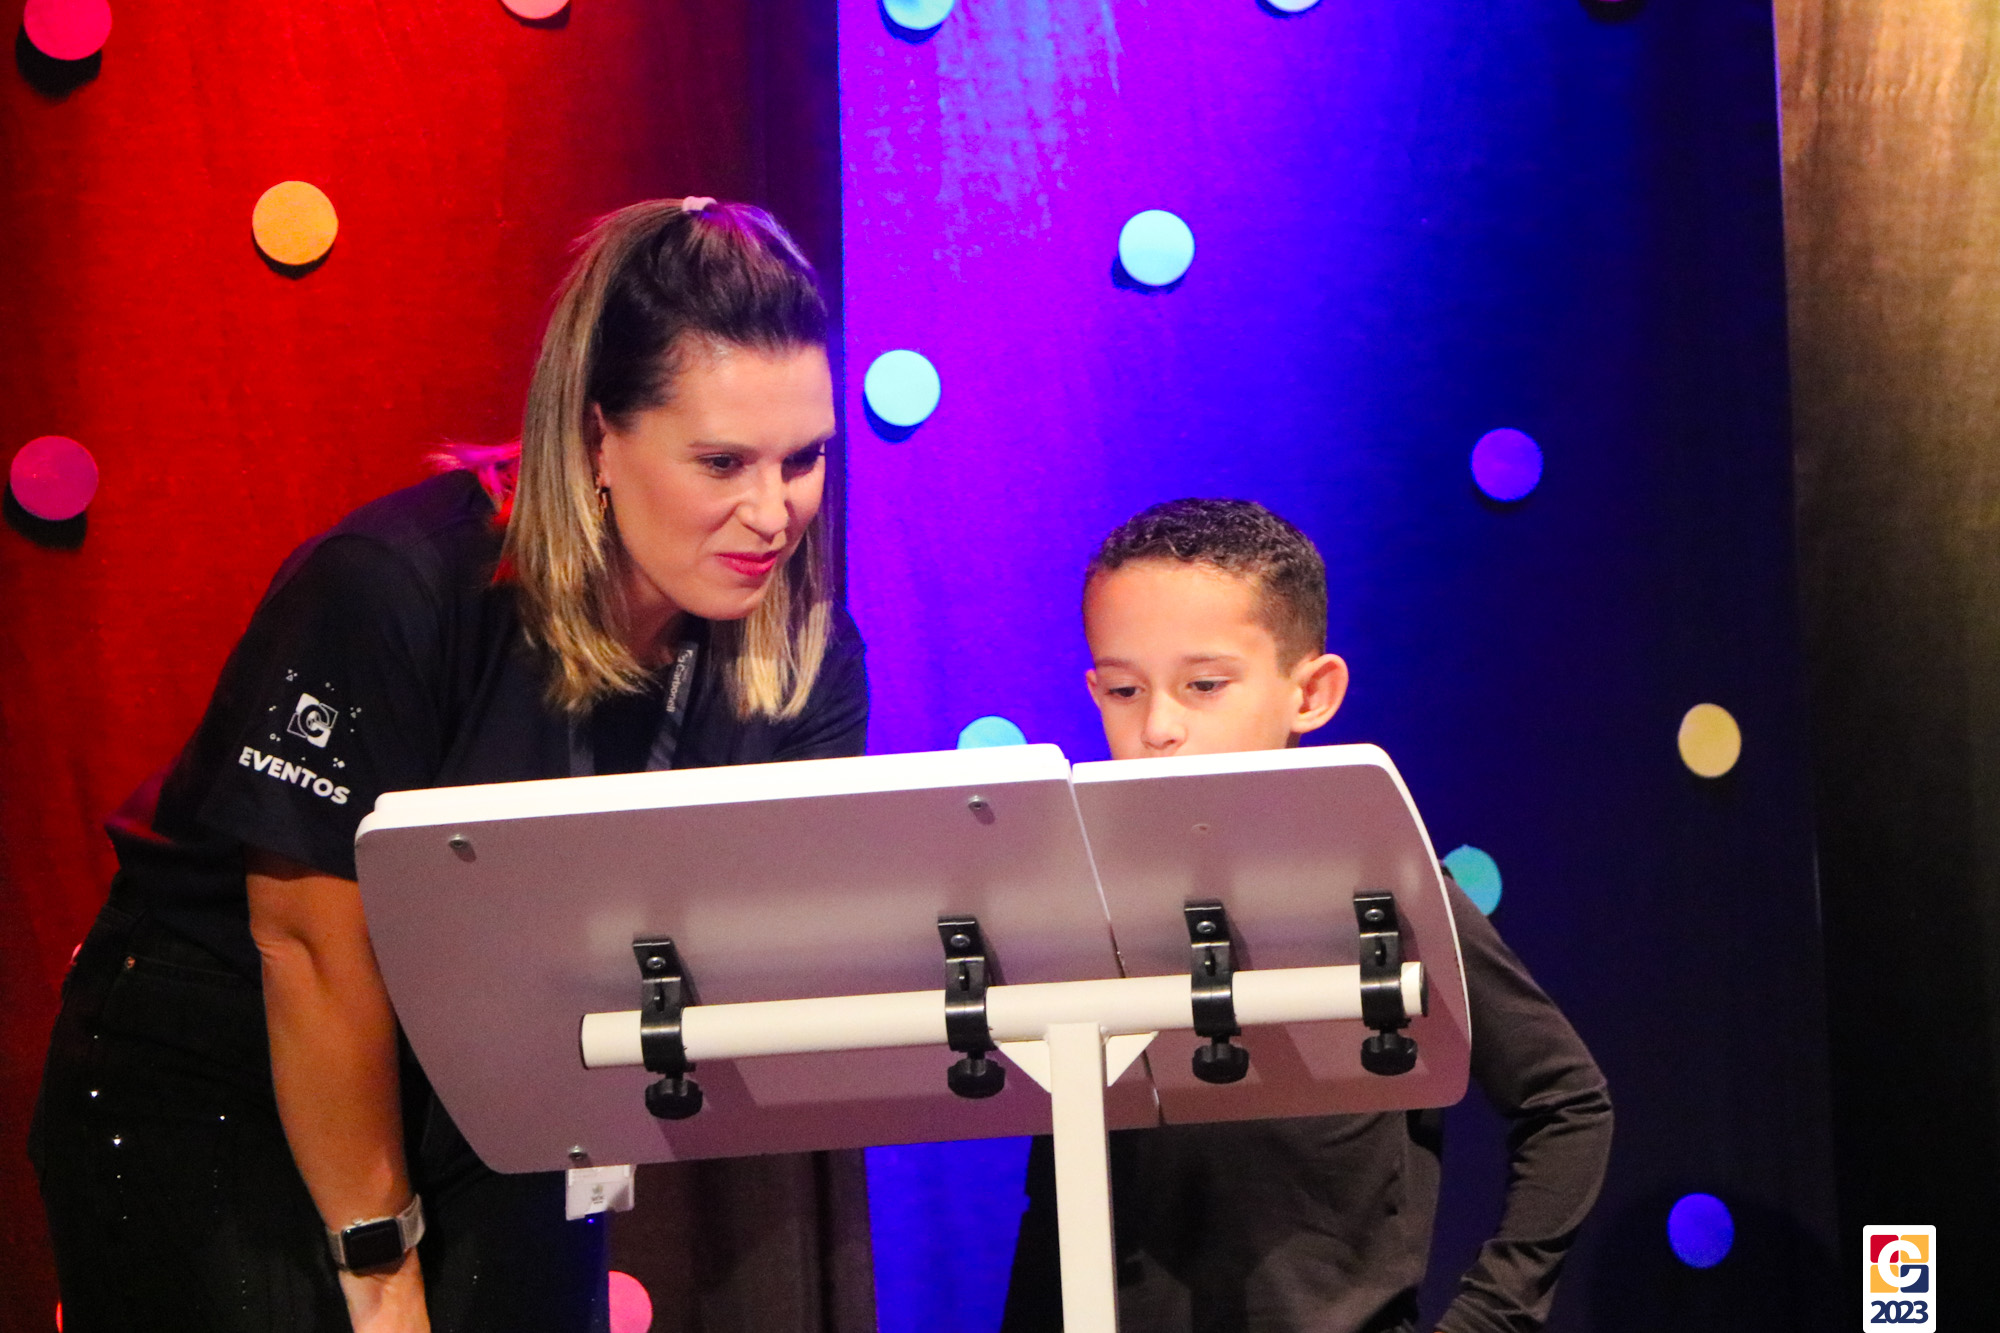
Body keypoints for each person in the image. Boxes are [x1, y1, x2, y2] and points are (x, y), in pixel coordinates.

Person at [29, 198, 868, 1333]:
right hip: (229, 1069)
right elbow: (307, 949)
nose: (773, 513)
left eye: (803, 459)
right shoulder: (392, 587)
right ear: (596, 438)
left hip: (498, 1074)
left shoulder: (804, 650)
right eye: (723, 461)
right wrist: (379, 1270)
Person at [1001, 499, 1613, 1333]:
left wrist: (1489, 1318)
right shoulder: (1072, 895)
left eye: (1204, 685)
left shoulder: (1382, 885)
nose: (1158, 726)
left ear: (1312, 692)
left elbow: (1566, 1099)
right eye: (1123, 689)